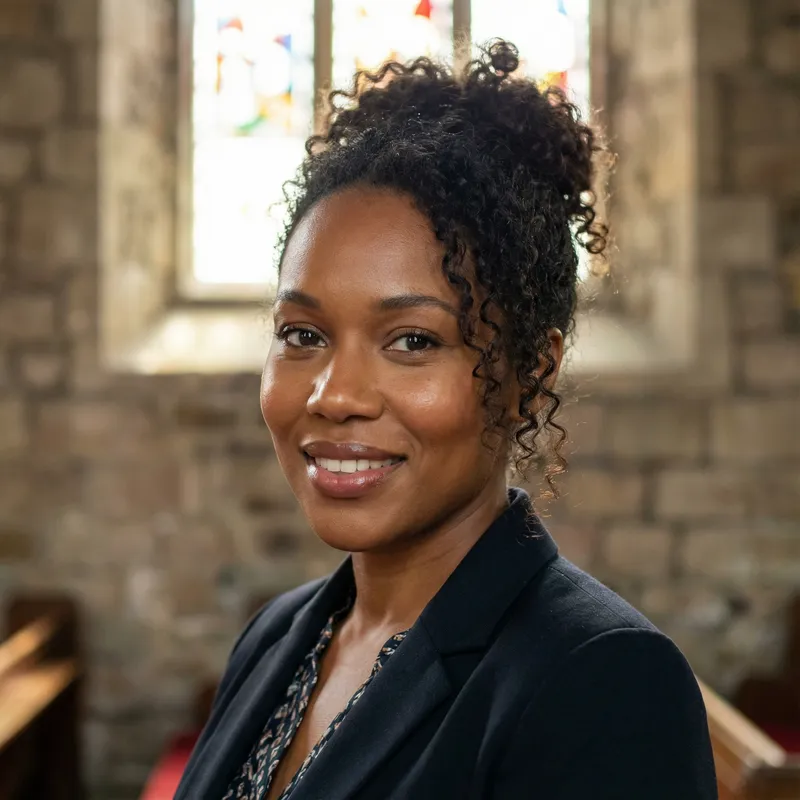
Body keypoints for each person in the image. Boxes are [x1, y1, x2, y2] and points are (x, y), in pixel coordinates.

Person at [175, 40, 718, 800]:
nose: (335, 394)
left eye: (412, 341)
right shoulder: (279, 637)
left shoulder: (603, 681)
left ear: (532, 373)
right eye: (303, 334)